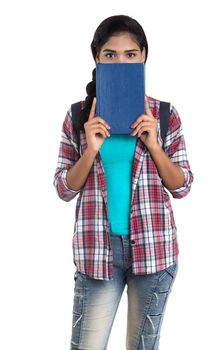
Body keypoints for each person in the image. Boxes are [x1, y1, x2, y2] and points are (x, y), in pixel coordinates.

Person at [53, 14, 193, 350]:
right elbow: (63, 187)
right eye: (110, 54)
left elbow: (183, 185)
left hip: (154, 250)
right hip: (97, 252)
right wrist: (90, 148)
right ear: (97, 58)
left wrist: (154, 145)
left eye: (131, 54)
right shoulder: (78, 116)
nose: (121, 60)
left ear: (144, 56)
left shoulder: (163, 114)